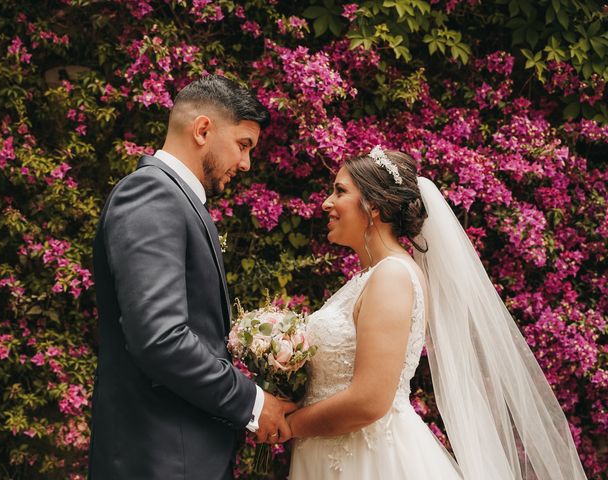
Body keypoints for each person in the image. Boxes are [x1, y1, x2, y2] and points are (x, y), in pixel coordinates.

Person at [288, 146, 587, 479]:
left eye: (340, 191)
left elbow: (370, 400)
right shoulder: (368, 279)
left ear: (373, 205)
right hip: (333, 452)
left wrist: (290, 425)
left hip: (370, 461)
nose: (326, 202)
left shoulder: (392, 277)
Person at [88, 75, 295, 480]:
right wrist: (253, 403)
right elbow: (160, 339)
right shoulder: (152, 193)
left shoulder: (176, 199)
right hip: (159, 461)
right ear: (203, 129)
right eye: (243, 145)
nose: (246, 164)